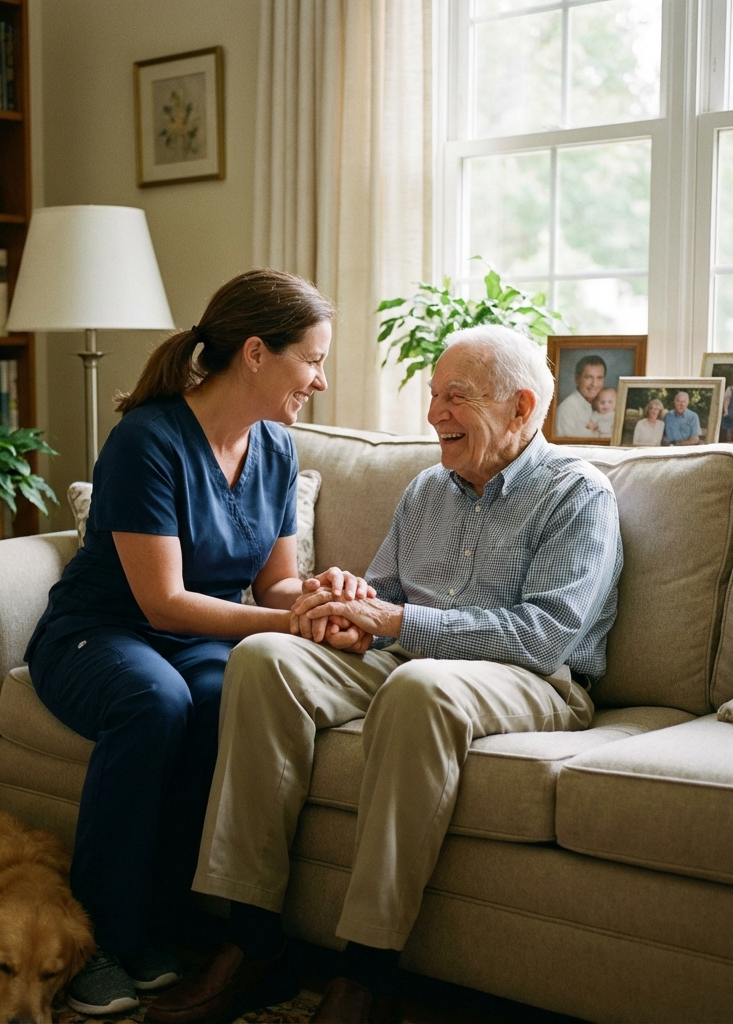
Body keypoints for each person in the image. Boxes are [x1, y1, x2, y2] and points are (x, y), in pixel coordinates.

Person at [147, 325, 623, 1024]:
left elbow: (543, 636)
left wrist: (396, 624)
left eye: (454, 398)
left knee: (419, 685)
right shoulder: (429, 488)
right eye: (434, 395)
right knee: (265, 659)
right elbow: (384, 596)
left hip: (531, 678)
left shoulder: (576, 494)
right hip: (407, 661)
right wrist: (343, 610)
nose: (434, 414)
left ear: (522, 409)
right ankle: (252, 940)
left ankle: (368, 973)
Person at [24, 269, 365, 1017]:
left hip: (192, 639)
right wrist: (287, 624)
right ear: (254, 352)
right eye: (311, 359)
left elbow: (275, 584)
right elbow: (164, 602)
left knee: (223, 697)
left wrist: (315, 596)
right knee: (155, 702)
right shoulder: (147, 441)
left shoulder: (275, 449)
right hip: (100, 632)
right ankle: (98, 940)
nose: (320, 378)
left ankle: (165, 924)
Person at [554, 354, 606, 437]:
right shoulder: (568, 409)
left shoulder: (603, 405)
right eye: (588, 377)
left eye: (599, 378)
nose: (594, 384)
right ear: (577, 379)